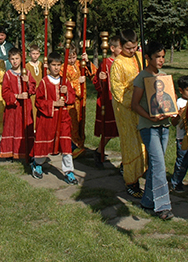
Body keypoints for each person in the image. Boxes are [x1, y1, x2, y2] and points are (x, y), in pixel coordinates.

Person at [130, 41, 174, 220]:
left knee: (157, 164)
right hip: (149, 128)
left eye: (163, 56)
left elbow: (169, 100)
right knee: (159, 166)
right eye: (157, 57)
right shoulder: (142, 77)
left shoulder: (164, 76)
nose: (161, 60)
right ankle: (163, 206)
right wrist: (150, 117)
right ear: (147, 58)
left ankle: (148, 200)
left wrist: (172, 111)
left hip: (164, 126)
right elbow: (134, 104)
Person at [110, 29, 147, 199]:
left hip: (143, 108)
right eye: (128, 48)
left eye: (134, 47)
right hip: (126, 110)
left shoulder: (140, 57)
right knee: (131, 144)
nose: (132, 51)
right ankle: (131, 181)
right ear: (121, 45)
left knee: (145, 142)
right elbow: (118, 91)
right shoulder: (118, 64)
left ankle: (142, 169)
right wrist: (135, 100)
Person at [31, 51, 79, 184]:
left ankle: (69, 171)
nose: (56, 68)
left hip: (63, 118)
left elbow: (72, 98)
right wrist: (53, 103)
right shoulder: (44, 82)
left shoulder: (65, 82)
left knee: (65, 145)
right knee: (44, 143)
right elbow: (38, 101)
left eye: (58, 65)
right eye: (53, 65)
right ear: (49, 66)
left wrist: (66, 93)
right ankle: (37, 163)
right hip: (48, 120)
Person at [0, 48, 36, 160]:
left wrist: (28, 82)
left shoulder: (27, 73)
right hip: (13, 108)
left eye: (17, 58)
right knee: (12, 127)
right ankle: (10, 151)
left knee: (25, 127)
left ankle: (27, 151)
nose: (15, 61)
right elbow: (5, 92)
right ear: (9, 60)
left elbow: (33, 89)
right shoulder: (8, 75)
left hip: (25, 106)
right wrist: (17, 96)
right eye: (12, 59)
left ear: (21, 59)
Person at [62, 44, 96, 158]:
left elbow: (93, 74)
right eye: (69, 58)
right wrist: (77, 82)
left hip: (82, 99)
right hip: (71, 100)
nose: (72, 60)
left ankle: (81, 144)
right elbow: (63, 84)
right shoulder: (63, 67)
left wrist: (86, 61)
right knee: (73, 123)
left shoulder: (79, 63)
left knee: (81, 121)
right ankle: (73, 146)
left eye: (74, 57)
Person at [92, 35, 120, 168]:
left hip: (122, 101)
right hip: (108, 100)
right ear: (113, 48)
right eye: (120, 47)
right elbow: (97, 82)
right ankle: (99, 152)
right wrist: (100, 78)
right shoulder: (106, 63)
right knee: (108, 130)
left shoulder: (124, 62)